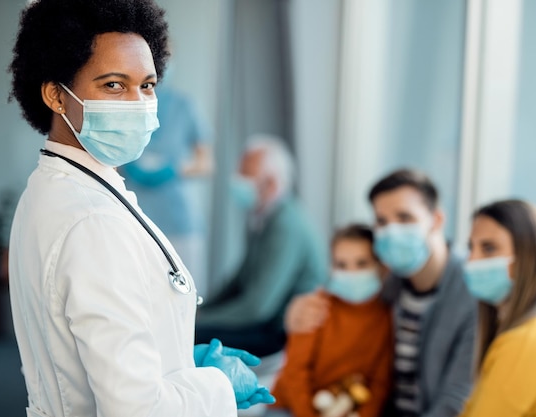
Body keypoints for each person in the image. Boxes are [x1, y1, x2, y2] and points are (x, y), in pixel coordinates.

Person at [6, 1, 273, 416]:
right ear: (56, 95)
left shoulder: (51, 188)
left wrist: (178, 360)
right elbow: (137, 409)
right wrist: (215, 385)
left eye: (147, 85)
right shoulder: (93, 222)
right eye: (114, 85)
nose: (137, 102)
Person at [285, 169, 477, 417]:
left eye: (405, 217)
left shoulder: (470, 292)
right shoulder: (385, 281)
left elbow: (456, 400)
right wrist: (295, 313)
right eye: (382, 221)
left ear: (437, 220)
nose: (392, 231)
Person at [195, 134, 327, 357]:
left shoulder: (285, 224)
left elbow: (258, 307)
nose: (237, 179)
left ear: (272, 183)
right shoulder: (263, 217)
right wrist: (197, 309)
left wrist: (197, 320)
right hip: (262, 320)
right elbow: (238, 281)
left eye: (246, 173)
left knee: (192, 335)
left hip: (278, 331)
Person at [459, 199, 536, 417]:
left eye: (489, 248)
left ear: (526, 256)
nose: (472, 260)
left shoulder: (525, 343)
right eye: (471, 247)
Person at [269, 224, 393, 417]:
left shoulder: (385, 318)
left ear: (381, 266)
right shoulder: (315, 308)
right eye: (341, 265)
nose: (351, 273)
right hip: (291, 407)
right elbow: (294, 373)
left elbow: (380, 383)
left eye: (361, 263)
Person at [121, 68, 213, 296]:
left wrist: (174, 169)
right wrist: (128, 165)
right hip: (135, 219)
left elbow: (206, 163)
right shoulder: (124, 107)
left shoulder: (183, 106)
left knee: (185, 299)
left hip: (178, 223)